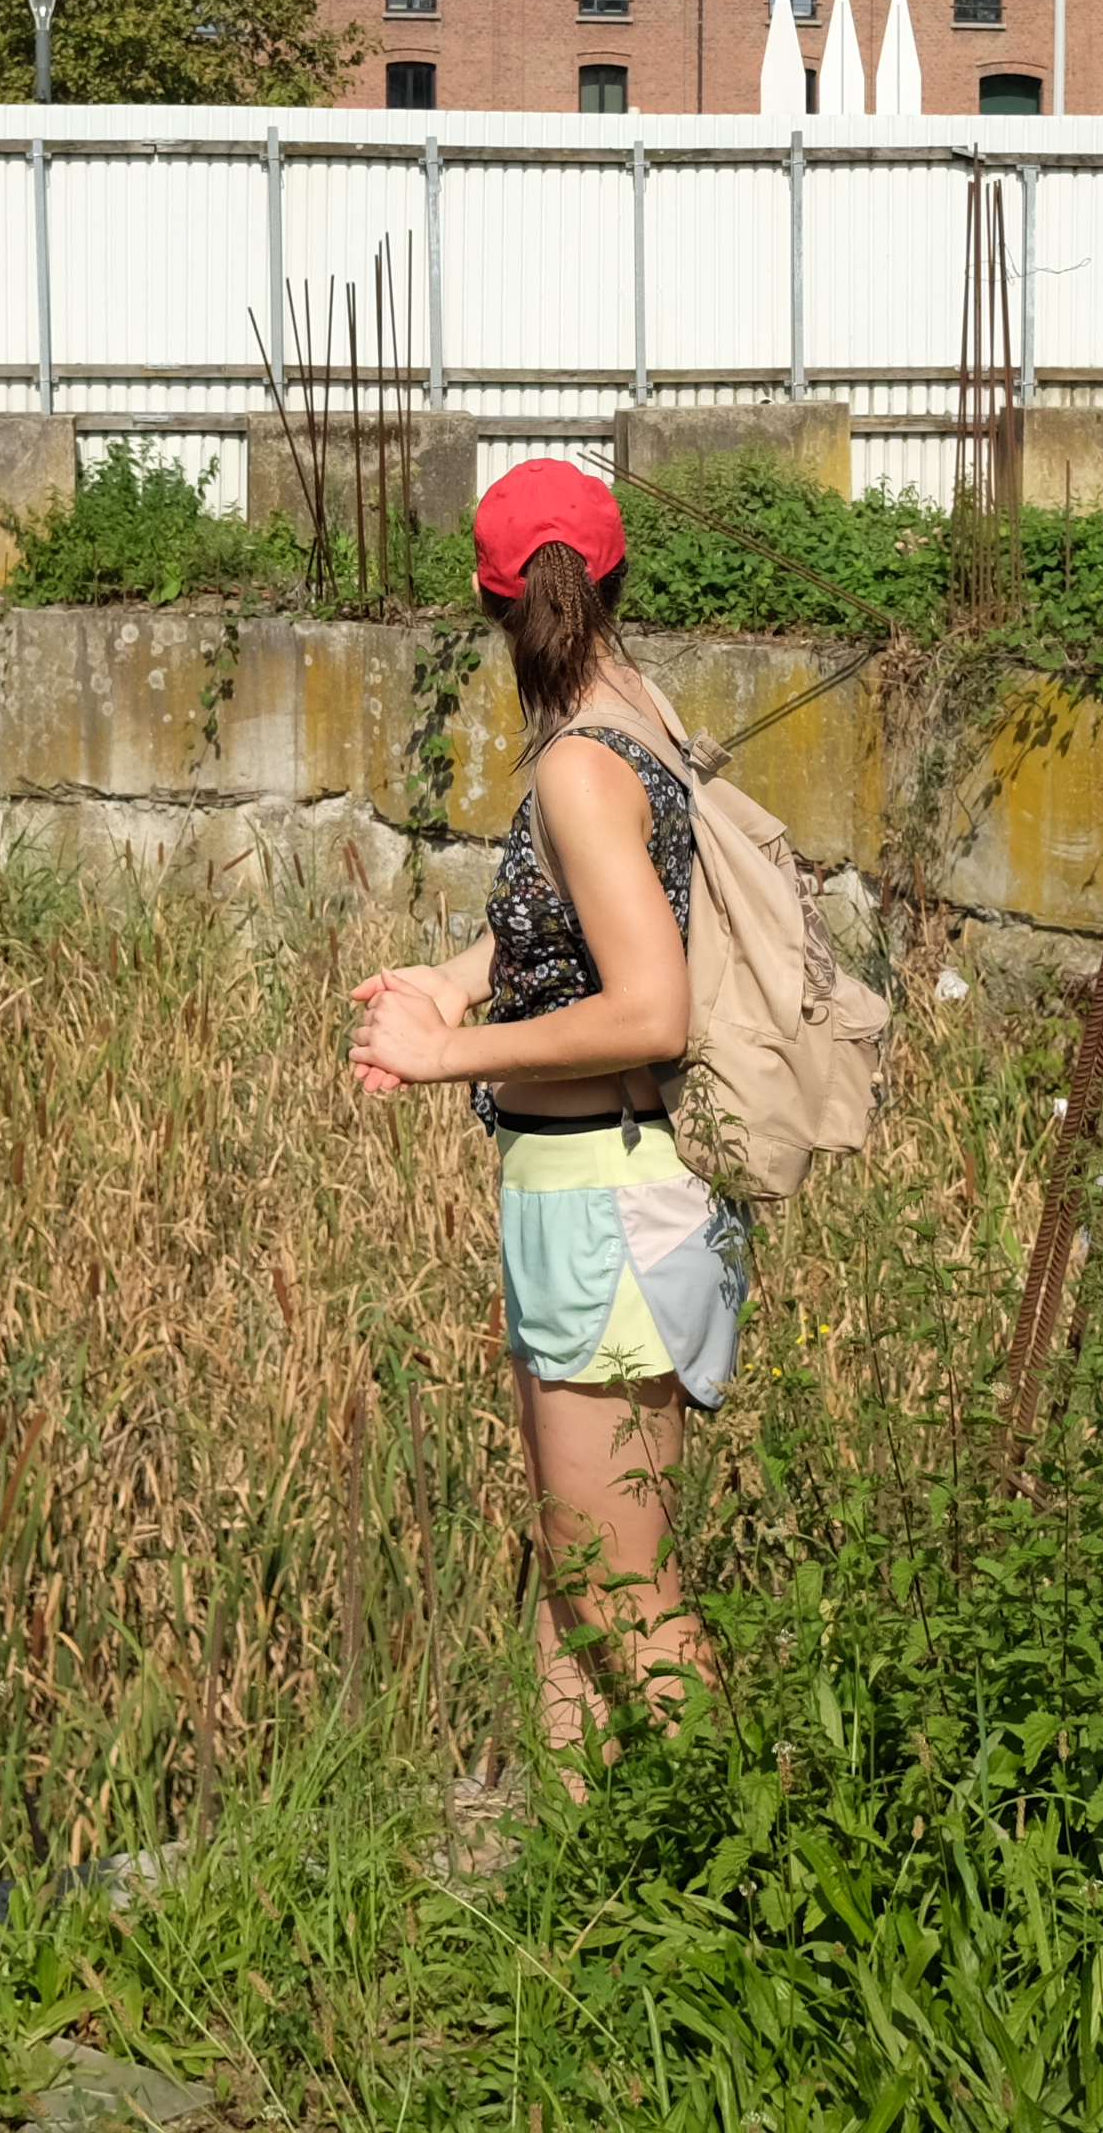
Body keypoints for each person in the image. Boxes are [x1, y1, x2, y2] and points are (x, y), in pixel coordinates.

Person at [345, 463, 743, 1755]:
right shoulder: (637, 711)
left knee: (624, 1598)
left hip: (603, 1209)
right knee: (580, 1580)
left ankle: (786, 1894)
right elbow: (578, 924)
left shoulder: (577, 764)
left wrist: (437, 1058)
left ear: (486, 598)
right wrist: (456, 988)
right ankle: (571, 1893)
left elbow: (649, 1010)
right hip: (598, 1196)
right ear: (617, 581)